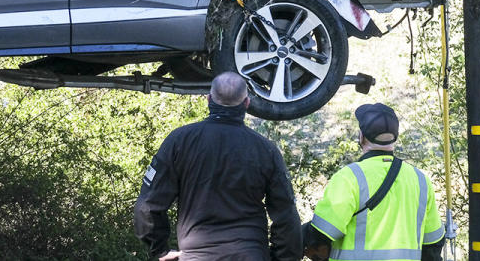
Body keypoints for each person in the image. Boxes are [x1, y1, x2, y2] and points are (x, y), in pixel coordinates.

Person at [134, 72, 301, 261]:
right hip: (250, 254)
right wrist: (283, 258)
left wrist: (160, 250)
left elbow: (147, 206)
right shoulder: (265, 150)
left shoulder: (179, 141)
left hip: (196, 256)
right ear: (246, 103)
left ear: (208, 100)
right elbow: (286, 215)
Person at [303, 103, 445, 261]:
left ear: (361, 137)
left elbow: (321, 232)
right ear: (395, 137)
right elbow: (433, 243)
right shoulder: (421, 180)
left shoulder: (349, 177)